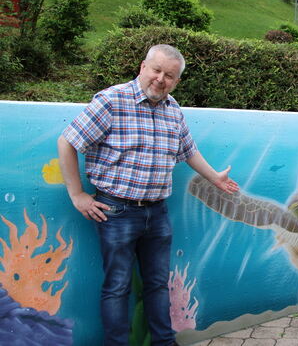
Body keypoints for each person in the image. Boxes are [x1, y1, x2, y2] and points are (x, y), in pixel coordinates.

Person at [57, 44, 239, 346]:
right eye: (156, 70)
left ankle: (163, 343)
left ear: (176, 80)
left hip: (157, 214)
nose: (160, 79)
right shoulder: (112, 101)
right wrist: (77, 194)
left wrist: (215, 177)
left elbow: (188, 151)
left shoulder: (173, 109)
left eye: (169, 75)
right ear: (143, 67)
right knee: (117, 287)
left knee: (157, 285)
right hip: (116, 212)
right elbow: (67, 142)